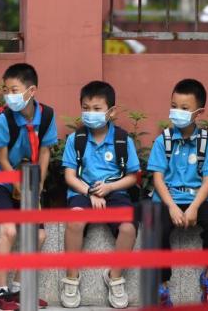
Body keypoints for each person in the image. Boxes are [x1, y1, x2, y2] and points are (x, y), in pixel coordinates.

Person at [60, 81, 139, 309]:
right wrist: (90, 192)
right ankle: (71, 278)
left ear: (111, 111)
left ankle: (114, 277)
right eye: (86, 108)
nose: (90, 113)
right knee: (74, 221)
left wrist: (109, 188)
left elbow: (133, 177)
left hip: (115, 192)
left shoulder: (123, 140)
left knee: (128, 228)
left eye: (97, 108)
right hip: (83, 190)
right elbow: (69, 176)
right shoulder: (76, 140)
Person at [0, 63, 58, 311]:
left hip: (29, 178)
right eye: (6, 90)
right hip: (1, 179)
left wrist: (38, 185)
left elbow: (46, 152)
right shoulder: (3, 119)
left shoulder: (47, 116)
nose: (9, 95)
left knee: (37, 235)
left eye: (14, 90)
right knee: (9, 231)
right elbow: (2, 158)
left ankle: (18, 290)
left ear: (31, 91)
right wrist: (15, 184)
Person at [147, 79, 208, 307]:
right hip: (167, 198)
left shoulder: (207, 144)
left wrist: (194, 208)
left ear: (199, 112)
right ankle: (162, 285)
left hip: (197, 198)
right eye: (174, 106)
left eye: (184, 108)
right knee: (157, 228)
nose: (177, 112)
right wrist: (171, 206)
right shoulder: (163, 141)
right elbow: (158, 178)